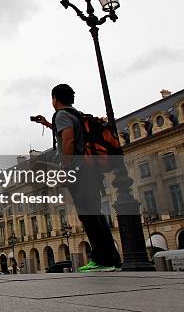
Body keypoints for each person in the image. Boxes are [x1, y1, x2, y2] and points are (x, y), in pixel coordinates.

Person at [33, 83, 122, 272]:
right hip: (91, 169)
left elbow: (68, 140)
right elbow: (71, 134)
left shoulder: (62, 115)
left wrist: (65, 169)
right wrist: (48, 125)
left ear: (54, 99)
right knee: (95, 213)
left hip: (79, 170)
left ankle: (102, 260)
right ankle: (111, 258)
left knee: (88, 214)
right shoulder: (76, 114)